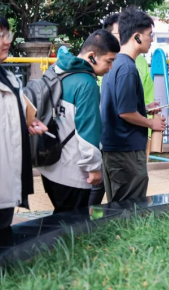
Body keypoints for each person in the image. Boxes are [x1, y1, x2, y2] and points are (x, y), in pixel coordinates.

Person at [0, 10, 47, 244]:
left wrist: (28, 123)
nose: (7, 41)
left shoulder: (9, 79)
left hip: (5, 192)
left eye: (8, 35)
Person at [37, 30, 119, 213]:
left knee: (59, 217)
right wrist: (94, 168)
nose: (111, 67)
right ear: (92, 56)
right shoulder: (87, 84)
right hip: (71, 171)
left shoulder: (57, 70)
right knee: (72, 223)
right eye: (109, 61)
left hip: (49, 164)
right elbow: (88, 131)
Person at [89, 12, 157, 206]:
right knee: (130, 209)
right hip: (126, 151)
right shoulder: (127, 68)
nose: (151, 40)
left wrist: (143, 109)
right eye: (150, 35)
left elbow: (118, 104)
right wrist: (151, 123)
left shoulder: (115, 63)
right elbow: (125, 112)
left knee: (118, 207)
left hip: (114, 148)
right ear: (137, 37)